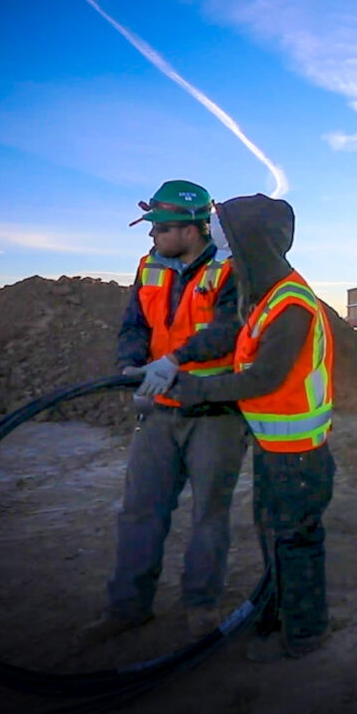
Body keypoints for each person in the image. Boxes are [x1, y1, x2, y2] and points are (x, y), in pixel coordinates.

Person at [167, 194, 337, 663]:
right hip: (276, 448)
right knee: (273, 535)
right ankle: (276, 613)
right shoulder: (267, 298)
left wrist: (198, 391)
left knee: (295, 543)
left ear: (253, 245)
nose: (225, 257)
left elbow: (264, 378)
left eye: (230, 246)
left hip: (298, 456)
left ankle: (304, 633)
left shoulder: (292, 304)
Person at [77, 180, 246, 646]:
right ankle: (127, 608)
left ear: (190, 229)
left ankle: (202, 607)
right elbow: (134, 324)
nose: (152, 236)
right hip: (160, 412)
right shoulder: (149, 266)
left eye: (160, 228)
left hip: (214, 411)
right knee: (140, 512)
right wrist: (130, 365)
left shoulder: (230, 269)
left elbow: (230, 330)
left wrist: (174, 360)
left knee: (209, 516)